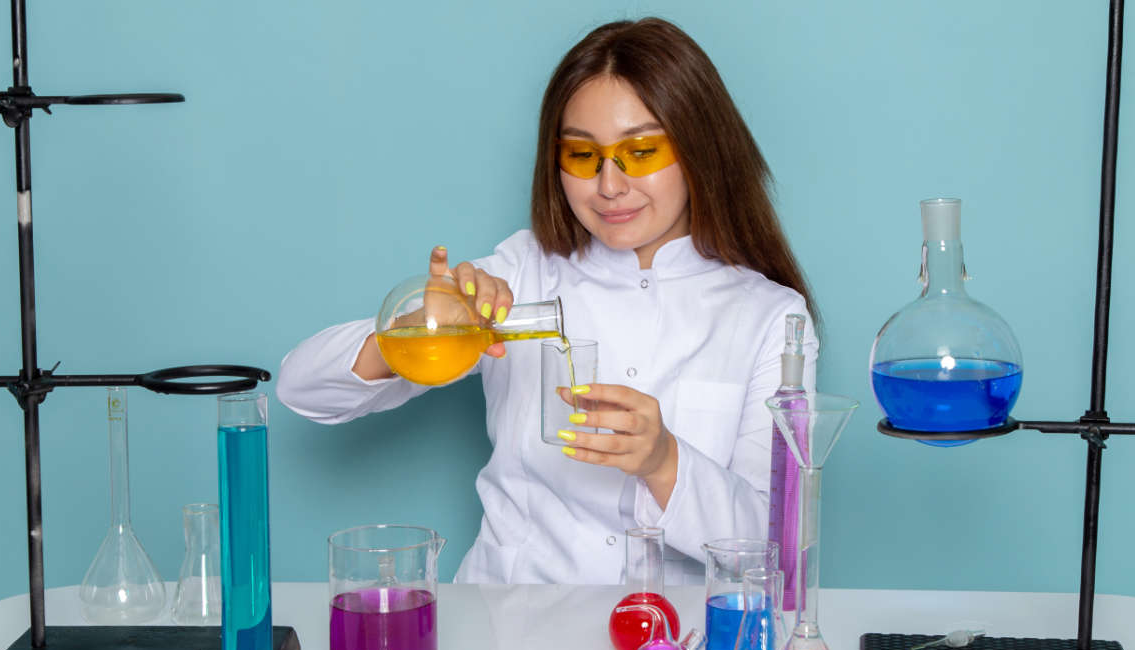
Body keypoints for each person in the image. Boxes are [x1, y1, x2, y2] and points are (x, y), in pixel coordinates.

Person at [276, 17, 818, 585]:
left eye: (640, 151)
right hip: (508, 629)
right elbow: (300, 387)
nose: (609, 185)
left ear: (699, 149)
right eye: (583, 157)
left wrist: (664, 461)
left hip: (677, 641)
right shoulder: (516, 276)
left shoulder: (770, 318)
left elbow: (775, 546)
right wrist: (422, 329)